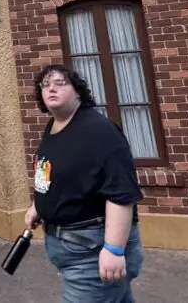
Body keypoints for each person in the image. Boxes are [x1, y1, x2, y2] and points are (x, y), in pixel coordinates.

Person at [25, 65, 144, 302]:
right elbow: (62, 176)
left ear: (78, 91)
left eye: (60, 83)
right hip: (70, 247)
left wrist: (113, 249)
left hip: (92, 249)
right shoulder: (54, 127)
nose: (51, 89)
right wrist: (39, 205)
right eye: (46, 85)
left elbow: (121, 192)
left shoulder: (99, 131)